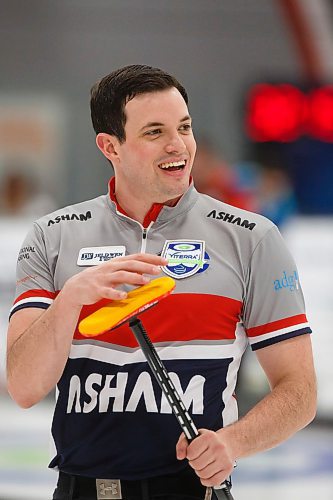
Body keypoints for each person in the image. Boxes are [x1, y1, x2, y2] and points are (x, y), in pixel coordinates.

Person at [6, 65, 316, 500]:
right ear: (109, 145)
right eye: (155, 132)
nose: (179, 146)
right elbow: (23, 388)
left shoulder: (252, 237)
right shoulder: (53, 235)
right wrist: (72, 298)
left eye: (184, 127)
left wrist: (233, 442)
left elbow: (299, 392)